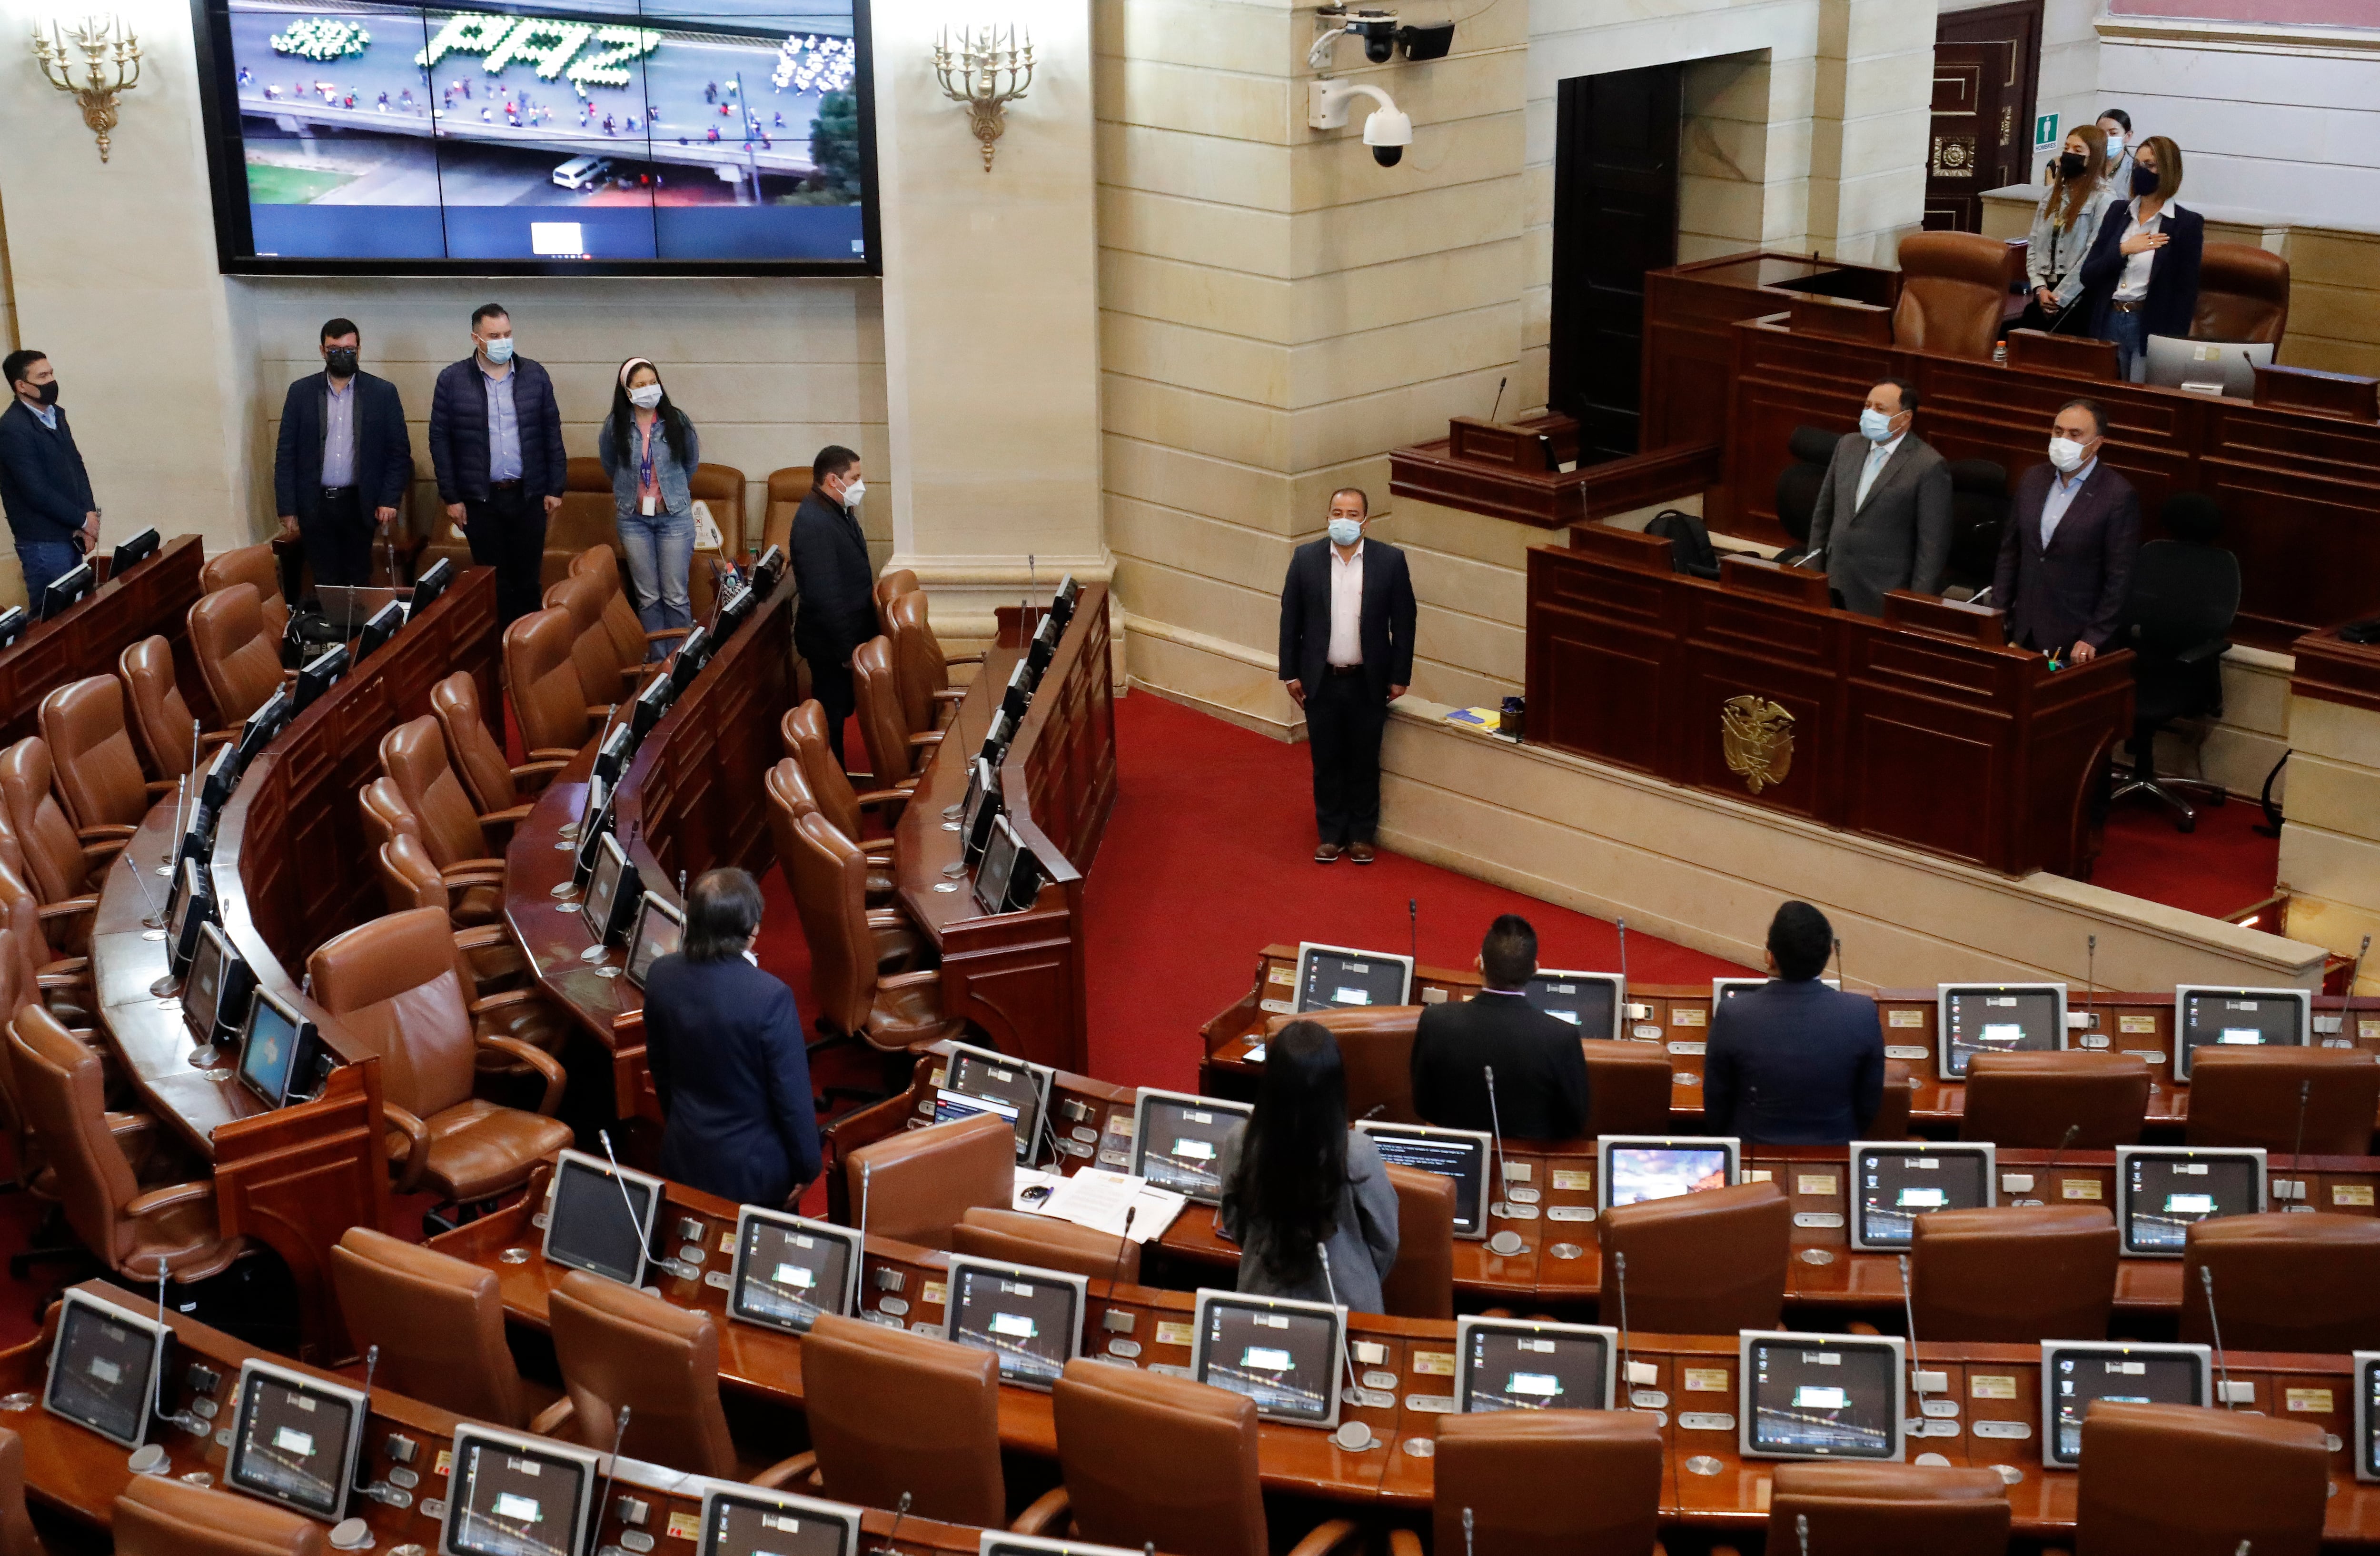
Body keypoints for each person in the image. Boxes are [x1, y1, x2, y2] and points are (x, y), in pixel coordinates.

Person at [640, 868, 821, 1207]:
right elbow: (792, 1098)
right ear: (751, 931)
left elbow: (660, 1071)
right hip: (752, 1176)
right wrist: (808, 1167)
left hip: (683, 1154)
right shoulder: (770, 997)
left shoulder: (660, 975)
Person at [1216, 1021, 1399, 1312]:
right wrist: (1355, 1272)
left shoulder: (1241, 1142)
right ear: (1336, 1086)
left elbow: (1235, 1224)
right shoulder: (1358, 1154)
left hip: (1263, 1298)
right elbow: (1385, 1242)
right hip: (1347, 1305)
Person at [1277, 487, 1416, 864]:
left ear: (1366, 522)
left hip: (1368, 681)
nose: (1344, 520)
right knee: (1326, 760)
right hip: (1320, 680)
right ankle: (1331, 835)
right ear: (1327, 517)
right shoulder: (1306, 559)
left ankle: (1360, 835)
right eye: (1337, 513)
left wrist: (1400, 676)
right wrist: (1290, 673)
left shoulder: (1390, 562)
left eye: (1352, 514)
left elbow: (1404, 623)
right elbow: (1291, 620)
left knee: (1364, 760)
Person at [427, 303, 566, 626]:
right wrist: (451, 497)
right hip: (480, 500)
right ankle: (500, 649)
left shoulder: (534, 375)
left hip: (528, 496)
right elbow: (440, 441)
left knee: (528, 583)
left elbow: (551, 431)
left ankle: (529, 648)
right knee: (494, 586)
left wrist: (555, 487)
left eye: (507, 334)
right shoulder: (452, 380)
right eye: (494, 336)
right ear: (476, 338)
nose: (503, 341)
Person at [1700, 902, 1884, 1146]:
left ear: (1770, 957)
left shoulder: (1733, 1014)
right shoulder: (1862, 1013)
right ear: (1830, 952)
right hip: (1834, 1155)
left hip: (1753, 1156)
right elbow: (1868, 1104)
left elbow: (1716, 1105)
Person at [1410, 914, 1592, 1139]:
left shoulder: (1436, 1021)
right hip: (1531, 1157)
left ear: (1479, 964)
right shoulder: (1562, 1037)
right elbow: (1575, 1122)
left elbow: (1423, 1106)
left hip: (1459, 1152)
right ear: (1535, 969)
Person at [1990, 397, 2140, 662]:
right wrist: (1998, 612)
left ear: (2098, 443)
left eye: (2075, 434)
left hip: (2075, 640)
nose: (2063, 440)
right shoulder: (2032, 479)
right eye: (2058, 432)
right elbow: (2010, 552)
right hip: (2023, 628)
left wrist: (2094, 636)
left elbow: (2120, 578)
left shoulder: (2117, 496)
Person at [272, 318, 412, 588]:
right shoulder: (301, 393)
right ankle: (331, 618)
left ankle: (357, 619)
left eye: (349, 349)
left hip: (360, 503)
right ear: (322, 351)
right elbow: (286, 453)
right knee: (325, 580)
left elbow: (398, 453)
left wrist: (390, 499)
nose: (342, 355)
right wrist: (287, 507)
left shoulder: (382, 393)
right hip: (315, 505)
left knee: (358, 579)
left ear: (359, 350)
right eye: (334, 349)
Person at [1801, 378, 1951, 616]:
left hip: (1884, 594)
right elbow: (1824, 514)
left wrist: (1916, 606)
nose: (1870, 413)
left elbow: (1931, 547)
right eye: (1867, 406)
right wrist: (1813, 574)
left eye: (1881, 409)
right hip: (1834, 582)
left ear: (1906, 418)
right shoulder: (1847, 445)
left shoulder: (1928, 465)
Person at [2080, 135, 2202, 383]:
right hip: (2109, 318)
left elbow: (2185, 293)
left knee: (2139, 396)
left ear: (2168, 170)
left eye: (2150, 165)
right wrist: (2124, 249)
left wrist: (2172, 345)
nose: (2141, 171)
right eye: (2137, 164)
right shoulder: (2118, 212)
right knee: (2104, 392)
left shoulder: (2186, 224)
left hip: (2148, 323)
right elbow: (2088, 274)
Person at [596, 357, 699, 648]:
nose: (649, 389)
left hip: (674, 518)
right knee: (648, 598)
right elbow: (610, 465)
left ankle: (681, 660)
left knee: (676, 596)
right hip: (634, 520)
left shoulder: (677, 421)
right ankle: (657, 663)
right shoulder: (615, 426)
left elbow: (690, 463)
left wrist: (671, 493)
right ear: (628, 392)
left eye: (653, 383)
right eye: (641, 385)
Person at [787, 444, 875, 766]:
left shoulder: (836, 510)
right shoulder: (814, 523)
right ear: (833, 480)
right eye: (855, 478)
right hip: (830, 646)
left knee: (841, 712)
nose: (860, 485)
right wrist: (846, 651)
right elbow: (826, 596)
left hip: (844, 638)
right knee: (831, 720)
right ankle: (831, 782)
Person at [0, 349, 98, 602]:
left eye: (51, 373)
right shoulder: (12, 428)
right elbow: (35, 491)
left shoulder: (56, 414)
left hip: (72, 532)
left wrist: (88, 515)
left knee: (79, 609)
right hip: (43, 542)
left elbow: (76, 466)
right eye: (42, 376)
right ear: (22, 386)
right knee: (54, 615)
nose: (51, 381)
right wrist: (83, 520)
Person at [2019, 125, 2112, 336]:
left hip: (2078, 298)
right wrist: (2040, 288)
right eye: (2067, 148)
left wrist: (2061, 296)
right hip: (2044, 292)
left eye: (2078, 150)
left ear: (2094, 157)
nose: (2069, 154)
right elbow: (2034, 243)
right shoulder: (2051, 194)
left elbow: (2093, 254)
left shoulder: (2104, 199)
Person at [2095, 108, 2135, 195]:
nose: (2106, 138)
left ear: (2128, 136)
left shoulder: (2135, 171)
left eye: (2113, 133)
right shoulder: (2088, 164)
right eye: (2101, 133)